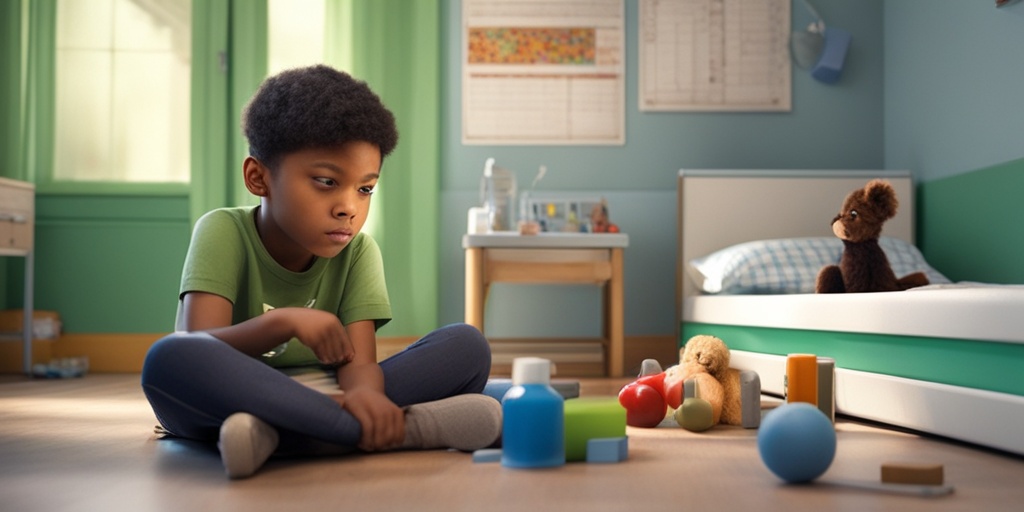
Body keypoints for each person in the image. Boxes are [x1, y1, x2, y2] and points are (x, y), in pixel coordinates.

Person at [141, 65, 502, 479]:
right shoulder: (222, 231)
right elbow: (200, 344)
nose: (349, 206)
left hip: (326, 391)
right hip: (226, 394)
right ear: (259, 178)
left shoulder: (359, 251)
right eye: (327, 182)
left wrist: (365, 396)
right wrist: (283, 322)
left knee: (467, 346)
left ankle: (273, 436)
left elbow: (359, 363)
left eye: (365, 189)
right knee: (168, 358)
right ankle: (407, 429)